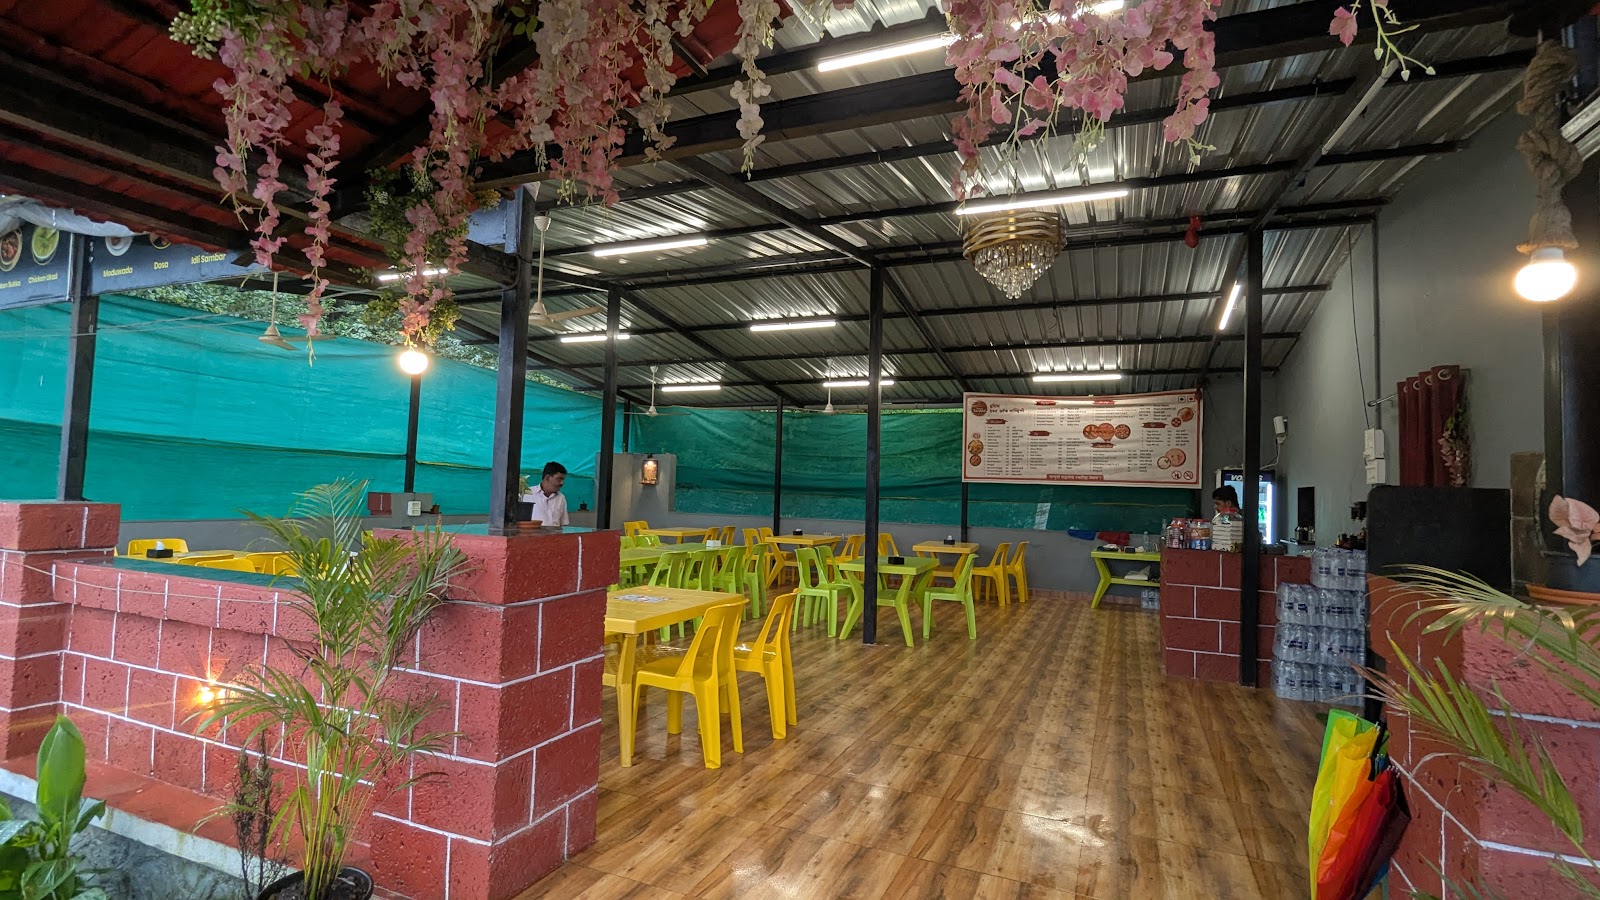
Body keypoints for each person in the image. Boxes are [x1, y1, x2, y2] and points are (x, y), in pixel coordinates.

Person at [521, 461, 570, 526]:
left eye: (563, 480)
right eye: (559, 479)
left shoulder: (561, 498)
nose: (562, 483)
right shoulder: (526, 494)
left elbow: (563, 524)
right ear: (548, 477)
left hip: (555, 532)